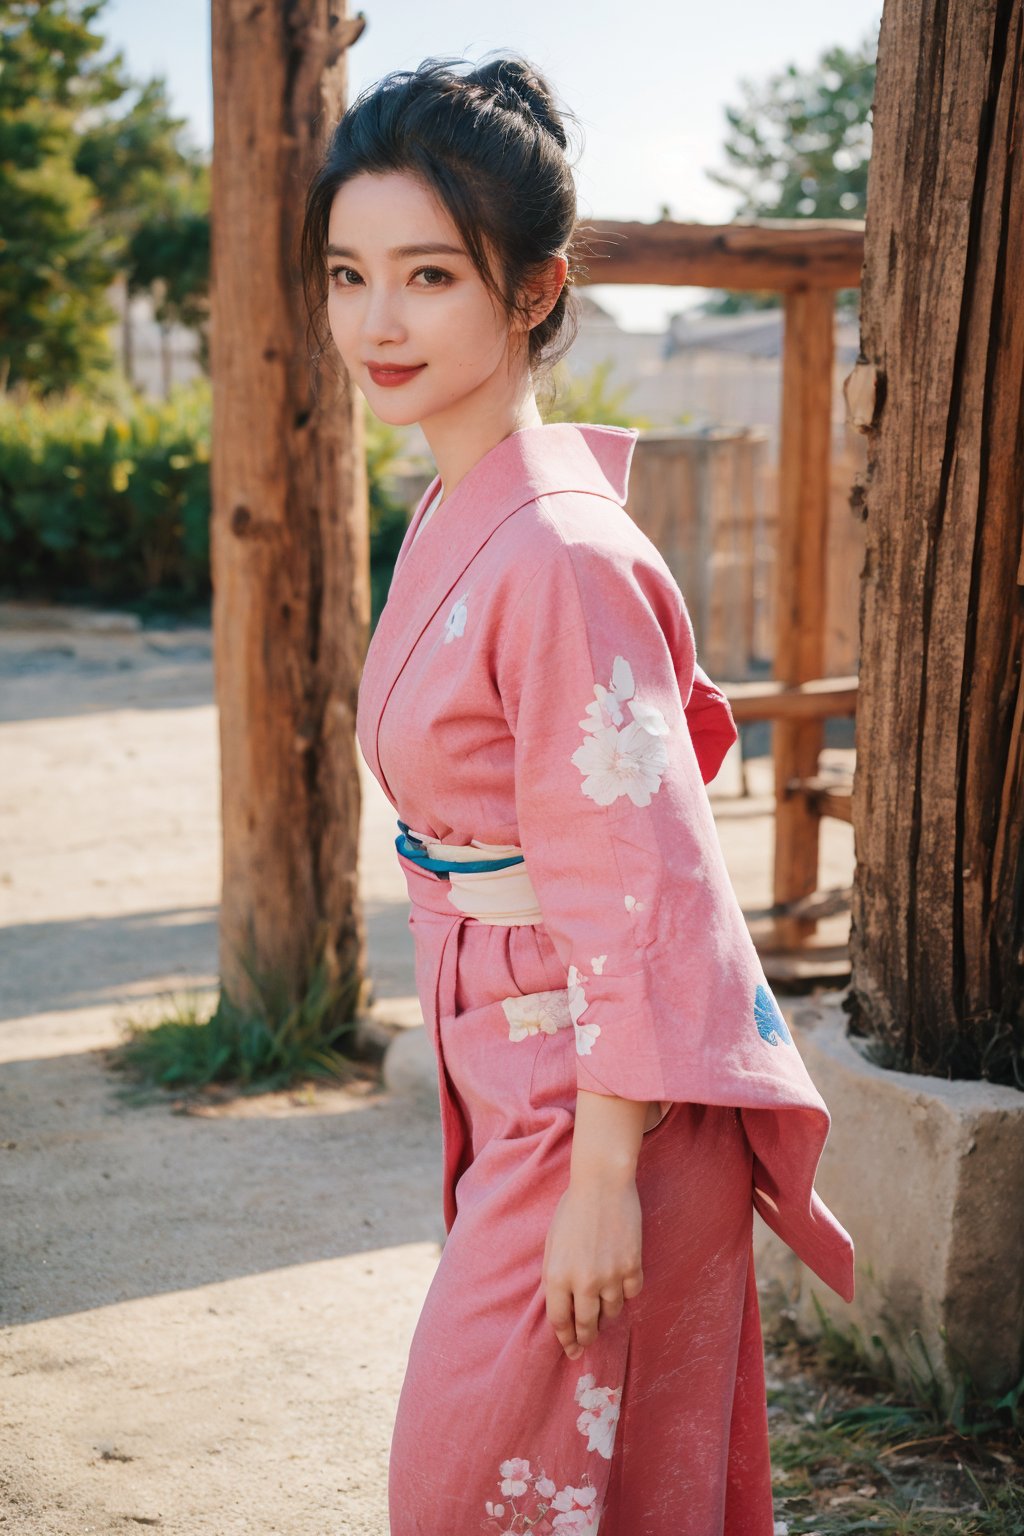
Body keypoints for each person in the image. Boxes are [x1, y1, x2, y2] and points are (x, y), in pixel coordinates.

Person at [300, 52, 855, 1536]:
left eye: (429, 274)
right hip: (525, 1058)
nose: (379, 320)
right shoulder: (457, 511)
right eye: (350, 275)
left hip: (593, 1096)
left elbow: (640, 867)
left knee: (476, 1486)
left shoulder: (559, 553)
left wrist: (606, 1171)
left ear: (536, 290)